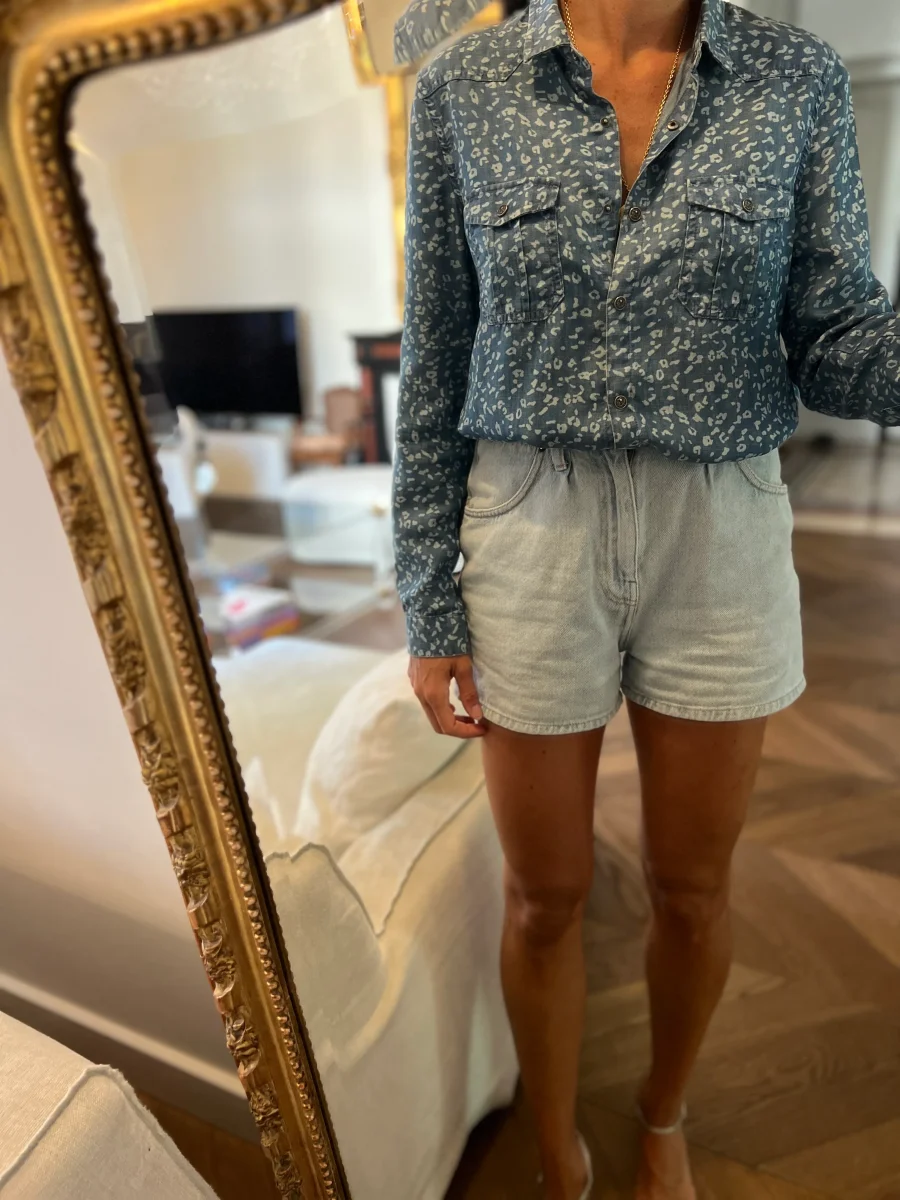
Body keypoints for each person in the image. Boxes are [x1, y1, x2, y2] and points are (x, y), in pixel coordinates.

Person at [392, 0, 900, 1196]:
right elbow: (438, 346)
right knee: (543, 896)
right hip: (529, 522)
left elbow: (837, 332)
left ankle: (663, 1116)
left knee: (694, 887)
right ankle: (552, 1144)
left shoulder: (794, 77)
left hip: (718, 526)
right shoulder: (463, 84)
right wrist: (426, 592)